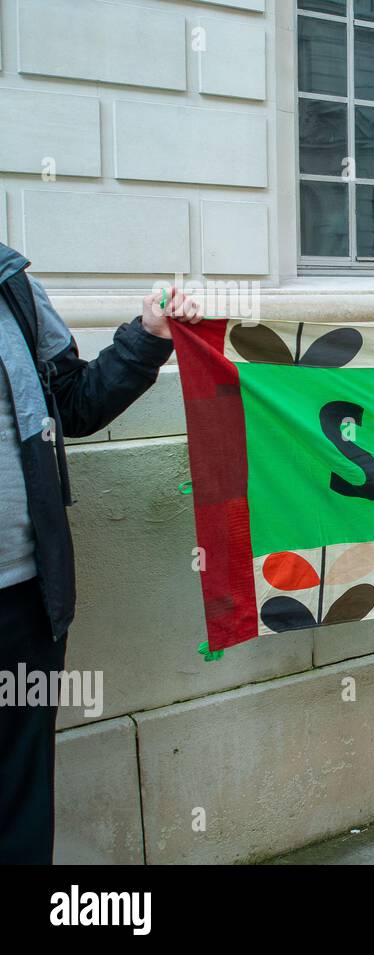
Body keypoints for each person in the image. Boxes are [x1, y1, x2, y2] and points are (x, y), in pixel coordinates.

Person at [0, 242, 202, 862]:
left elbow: (75, 403)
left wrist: (149, 335)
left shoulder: (14, 288)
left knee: (17, 790)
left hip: (21, 596)